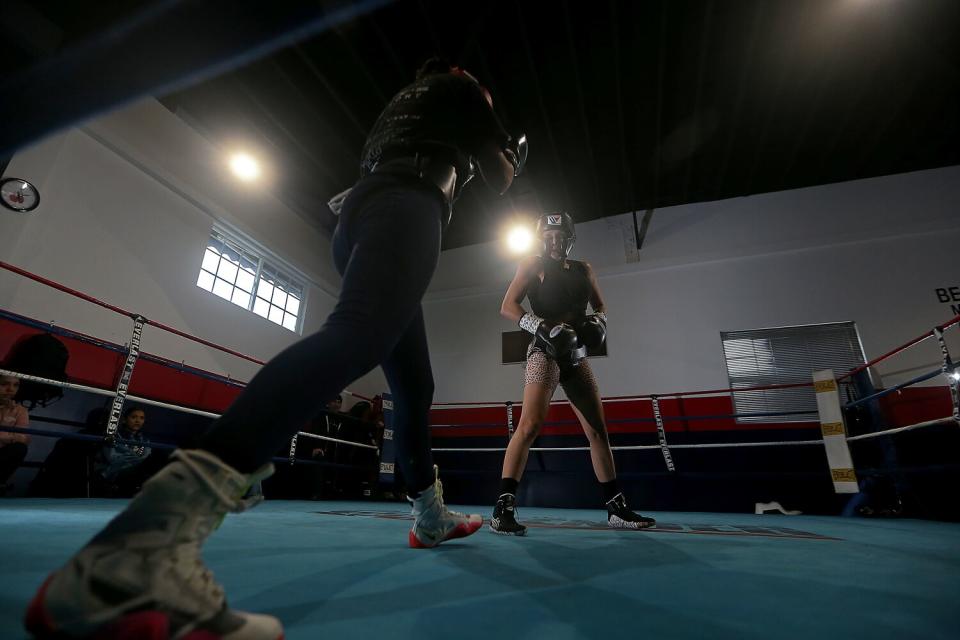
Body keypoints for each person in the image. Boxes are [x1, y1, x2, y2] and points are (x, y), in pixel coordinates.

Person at [27, 57, 525, 640]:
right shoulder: (462, 91)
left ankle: (429, 515)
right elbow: (499, 179)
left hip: (367, 216)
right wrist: (507, 153)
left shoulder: (406, 107)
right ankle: (135, 549)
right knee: (360, 332)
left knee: (414, 381)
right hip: (408, 206)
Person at [489, 212, 655, 535]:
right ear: (542, 239)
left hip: (577, 355)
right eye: (548, 236)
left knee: (597, 430)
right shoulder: (531, 264)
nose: (554, 241)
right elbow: (508, 305)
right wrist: (539, 326)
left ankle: (615, 508)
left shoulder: (584, 269)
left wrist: (600, 322)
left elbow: (602, 307)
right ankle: (502, 508)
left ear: (569, 238)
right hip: (544, 351)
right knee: (530, 425)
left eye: (560, 236)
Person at [93, 406, 154, 497]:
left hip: (137, 471)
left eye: (141, 418)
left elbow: (146, 459)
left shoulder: (145, 440)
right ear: (124, 420)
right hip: (115, 472)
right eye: (134, 417)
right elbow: (113, 458)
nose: (138, 420)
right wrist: (137, 460)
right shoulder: (112, 436)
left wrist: (133, 459)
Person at [0, 375, 30, 494]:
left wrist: (4, 437)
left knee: (20, 448)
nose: (11, 389)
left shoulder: (20, 410)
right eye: (4, 384)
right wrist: (11, 436)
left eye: (15, 385)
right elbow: (18, 437)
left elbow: (24, 438)